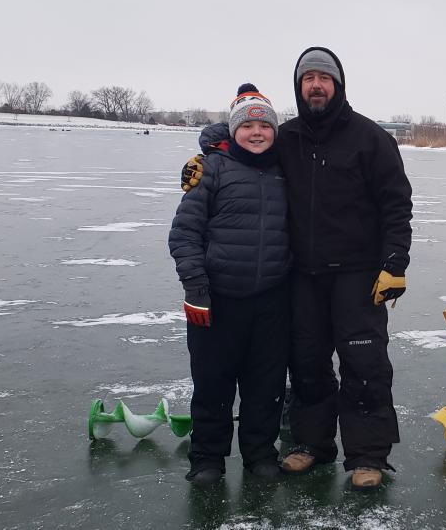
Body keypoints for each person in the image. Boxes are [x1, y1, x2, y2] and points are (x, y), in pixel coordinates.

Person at [181, 47, 412, 489]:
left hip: (357, 274)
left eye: (325, 78)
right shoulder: (286, 136)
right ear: (298, 86)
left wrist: (395, 261)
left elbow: (396, 205)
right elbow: (242, 138)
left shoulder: (371, 138)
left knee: (364, 363)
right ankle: (311, 444)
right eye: (308, 79)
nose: (316, 86)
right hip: (302, 275)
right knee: (306, 363)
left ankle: (367, 456)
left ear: (338, 85)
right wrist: (206, 154)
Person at [169, 84, 291, 485]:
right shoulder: (211, 169)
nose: (256, 132)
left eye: (264, 125)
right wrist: (196, 289)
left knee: (266, 384)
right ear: (233, 130)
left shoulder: (284, 170)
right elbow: (184, 234)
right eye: (247, 125)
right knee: (212, 383)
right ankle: (207, 458)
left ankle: (259, 454)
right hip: (217, 301)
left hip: (272, 300)